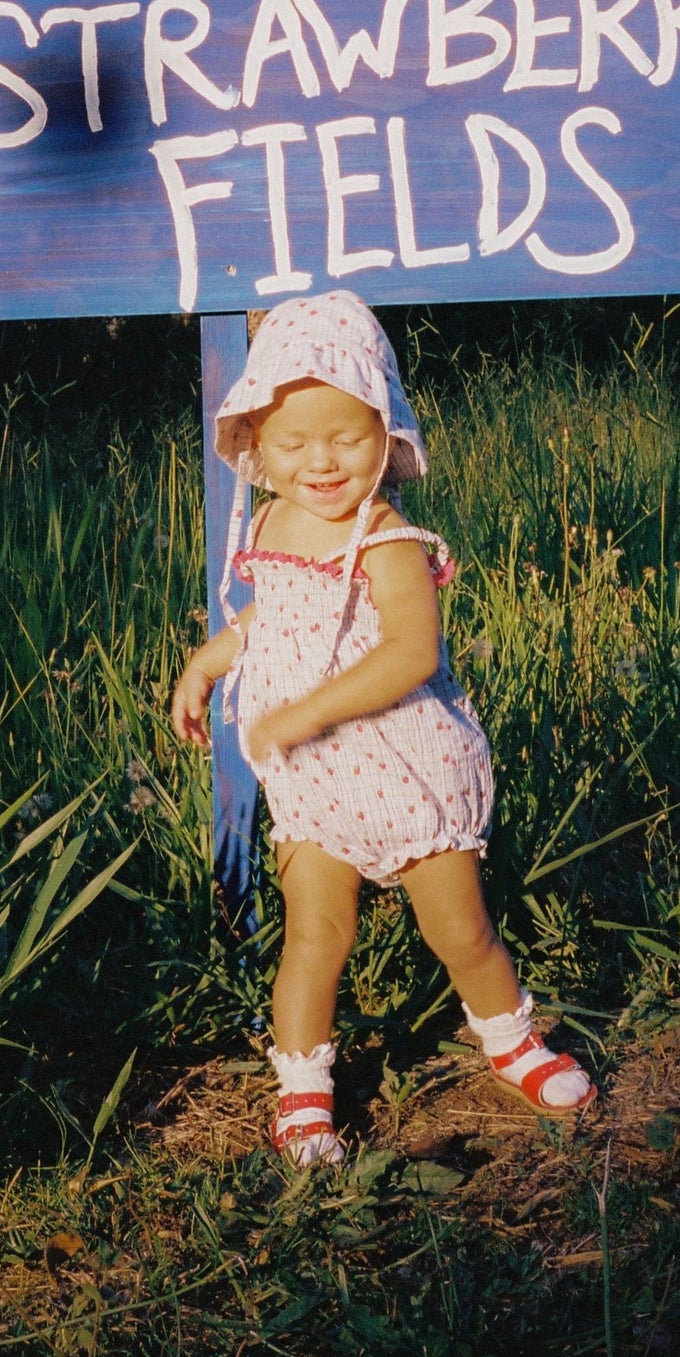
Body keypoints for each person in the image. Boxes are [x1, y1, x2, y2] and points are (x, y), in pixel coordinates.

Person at [170, 292, 595, 1166]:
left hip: (408, 769)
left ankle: (509, 1038)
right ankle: (303, 1090)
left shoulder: (386, 538)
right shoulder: (281, 522)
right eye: (293, 444)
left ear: (386, 431)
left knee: (459, 932)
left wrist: (306, 711)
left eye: (346, 438)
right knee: (315, 935)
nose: (321, 463)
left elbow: (410, 651)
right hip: (314, 785)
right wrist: (210, 660)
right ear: (258, 445)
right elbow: (273, 618)